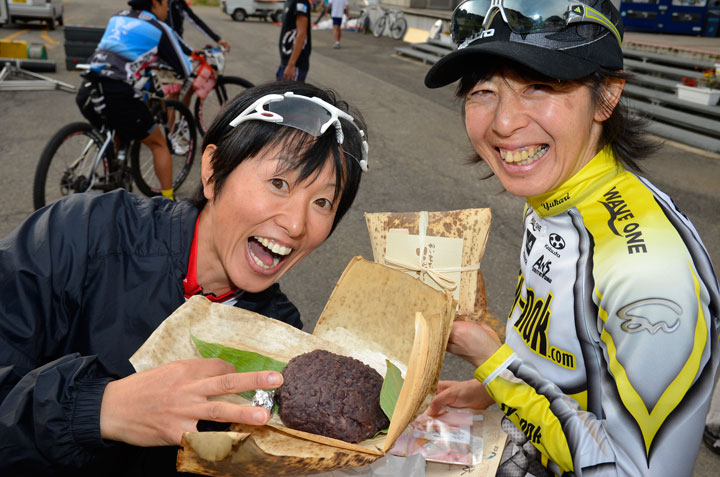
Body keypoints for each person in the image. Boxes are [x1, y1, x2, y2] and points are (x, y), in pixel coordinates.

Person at [0, 80, 369, 474]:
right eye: (279, 183)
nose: (296, 224)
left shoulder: (280, 335)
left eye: (323, 202)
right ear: (212, 172)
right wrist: (100, 408)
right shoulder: (83, 235)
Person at [422, 1, 720, 476]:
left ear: (606, 98)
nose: (503, 123)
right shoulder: (557, 192)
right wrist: (491, 388)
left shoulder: (647, 273)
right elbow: (571, 355)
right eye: (482, 91)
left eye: (539, 86)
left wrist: (497, 367)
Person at [76, 0, 191, 201]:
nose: (167, 8)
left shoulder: (118, 16)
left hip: (88, 88)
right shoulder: (159, 27)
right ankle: (169, 202)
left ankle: (113, 178)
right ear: (156, 2)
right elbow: (184, 68)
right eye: (166, 3)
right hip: (116, 92)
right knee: (159, 145)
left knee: (115, 130)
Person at [166, 0, 231, 54]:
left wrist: (217, 39)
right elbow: (170, 32)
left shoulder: (179, 2)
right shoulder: (169, 3)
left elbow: (196, 21)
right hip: (168, 49)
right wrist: (190, 51)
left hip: (177, 47)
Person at [278, 0, 312, 81]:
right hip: (286, 61)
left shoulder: (300, 1)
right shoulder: (289, 2)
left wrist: (291, 64)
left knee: (287, 92)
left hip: (296, 64)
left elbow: (302, 34)